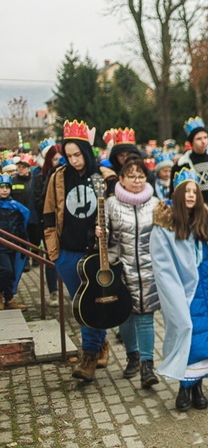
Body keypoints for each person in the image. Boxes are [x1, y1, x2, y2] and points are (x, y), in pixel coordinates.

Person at [150, 169, 208, 411]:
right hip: (183, 293)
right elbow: (163, 268)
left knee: (205, 341)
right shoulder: (164, 227)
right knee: (186, 336)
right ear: (177, 194)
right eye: (186, 191)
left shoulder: (204, 223)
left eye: (194, 192)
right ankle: (183, 386)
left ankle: (198, 386)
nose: (190, 195)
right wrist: (176, 299)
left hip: (205, 292)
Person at [43, 120, 117, 381]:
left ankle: (88, 356)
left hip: (96, 255)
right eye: (69, 155)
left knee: (91, 306)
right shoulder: (59, 177)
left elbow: (115, 215)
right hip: (68, 253)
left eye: (78, 154)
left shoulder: (105, 177)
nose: (74, 160)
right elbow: (49, 215)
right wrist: (55, 254)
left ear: (87, 151)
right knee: (81, 305)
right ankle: (100, 344)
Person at [99, 157, 160, 388]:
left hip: (148, 270)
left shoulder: (155, 204)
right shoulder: (111, 204)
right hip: (121, 269)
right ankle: (132, 355)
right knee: (125, 316)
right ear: (121, 179)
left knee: (145, 317)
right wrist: (99, 232)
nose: (137, 180)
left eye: (141, 176)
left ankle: (147, 366)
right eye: (131, 176)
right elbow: (105, 236)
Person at [170, 117, 208, 203]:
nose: (203, 141)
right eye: (199, 139)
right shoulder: (182, 165)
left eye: (205, 137)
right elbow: (175, 193)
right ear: (191, 142)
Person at [33, 140, 62, 306]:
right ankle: (53, 292)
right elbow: (38, 202)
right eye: (55, 159)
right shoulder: (40, 178)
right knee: (51, 259)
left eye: (60, 158)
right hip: (49, 223)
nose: (58, 162)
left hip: (66, 225)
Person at [0, 173, 30, 310]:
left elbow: (20, 226)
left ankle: (9, 298)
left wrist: (24, 243)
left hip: (13, 245)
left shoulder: (15, 207)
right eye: (1, 187)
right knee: (6, 270)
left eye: (7, 187)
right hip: (1, 247)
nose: (4, 190)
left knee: (12, 273)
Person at [11, 154, 38, 273]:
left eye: (23, 167)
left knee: (35, 238)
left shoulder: (35, 180)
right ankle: (25, 261)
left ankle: (36, 256)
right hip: (19, 216)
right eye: (19, 167)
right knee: (23, 238)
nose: (20, 169)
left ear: (29, 167)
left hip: (33, 215)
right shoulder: (13, 181)